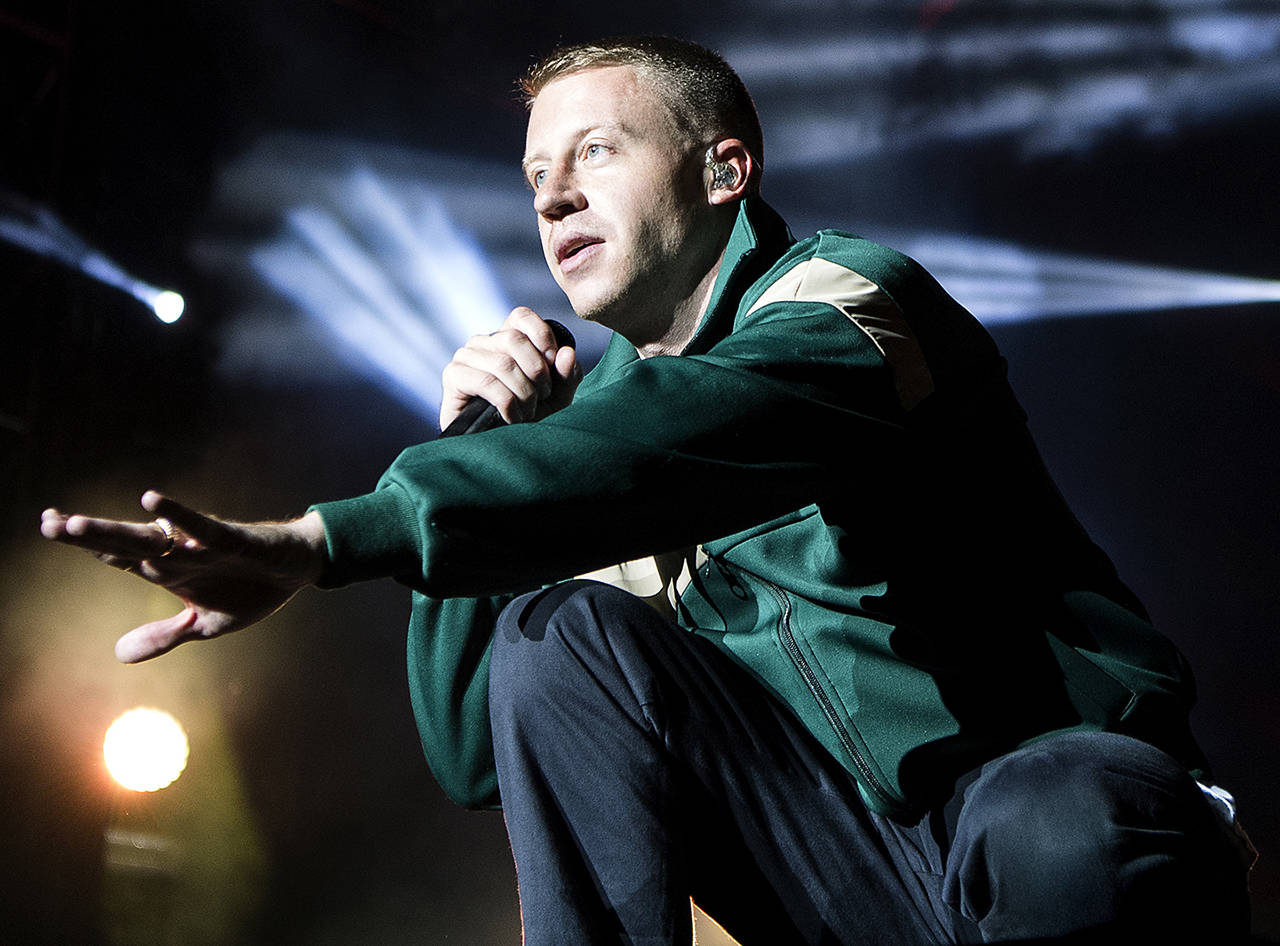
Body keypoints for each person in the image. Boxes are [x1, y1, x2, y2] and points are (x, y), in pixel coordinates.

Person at [42, 36, 1253, 944]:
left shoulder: (846, 304)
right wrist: (475, 433)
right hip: (852, 882)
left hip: (1051, 816)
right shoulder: (585, 447)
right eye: (533, 178)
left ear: (725, 167)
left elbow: (683, 432)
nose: (551, 196)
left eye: (594, 153)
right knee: (551, 633)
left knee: (1052, 822)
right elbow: (477, 749)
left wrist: (328, 537)